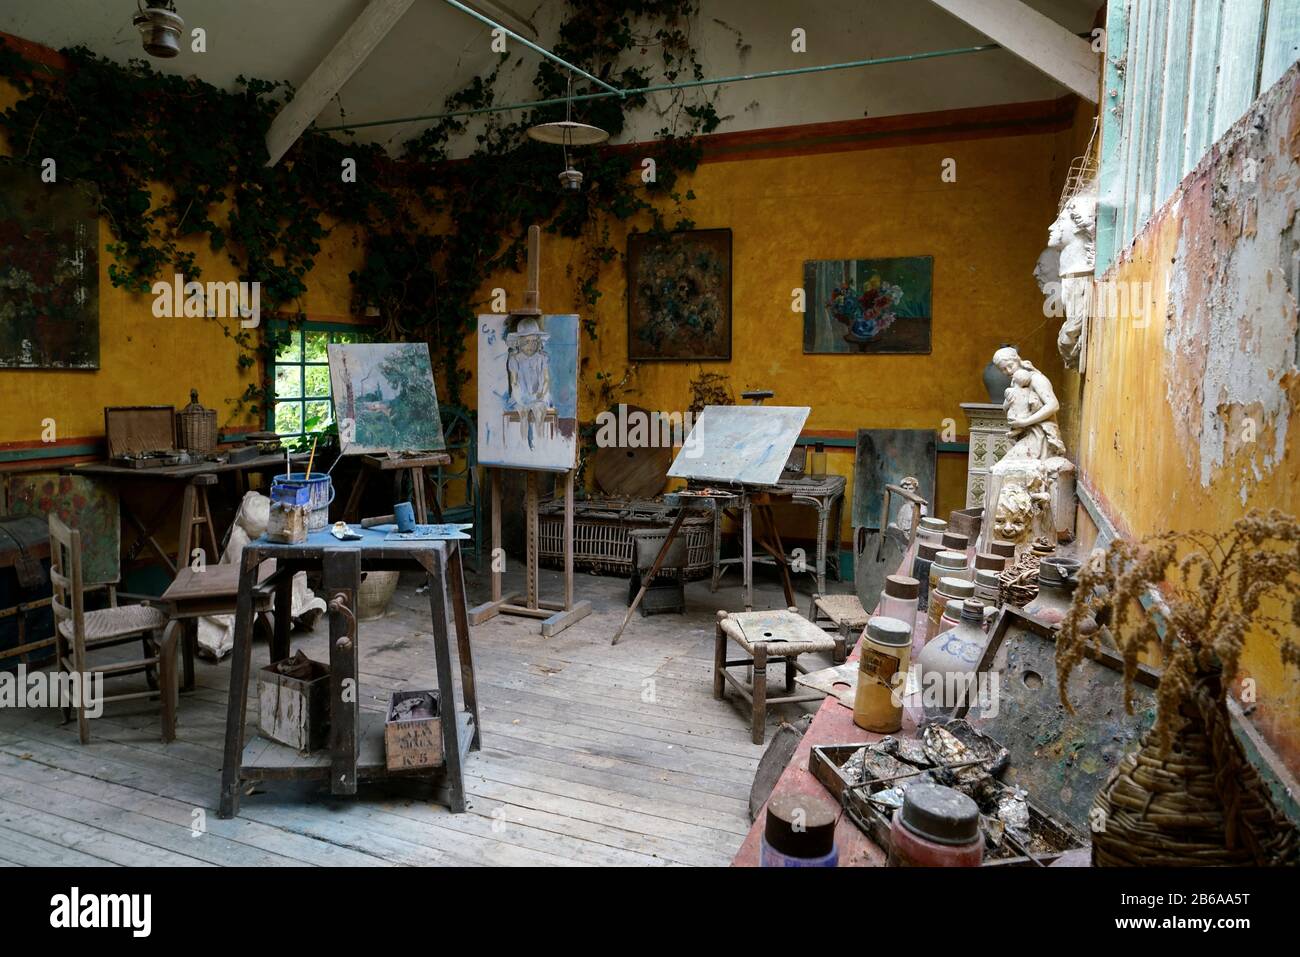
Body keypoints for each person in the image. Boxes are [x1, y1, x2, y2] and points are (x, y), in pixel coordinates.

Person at [991, 346, 1065, 461]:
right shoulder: (1016, 382)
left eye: (1010, 366)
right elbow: (1009, 407)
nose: (1008, 371)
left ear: (1018, 360)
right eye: (1003, 370)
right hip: (1026, 434)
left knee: (1007, 466)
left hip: (1041, 436)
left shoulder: (1036, 379)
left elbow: (1053, 405)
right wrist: (1008, 403)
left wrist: (1024, 422)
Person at [506, 317, 551, 450]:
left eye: (533, 341)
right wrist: (521, 398)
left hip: (538, 395)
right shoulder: (515, 359)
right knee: (523, 414)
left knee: (539, 412)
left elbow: (546, 379)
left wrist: (541, 394)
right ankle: (523, 444)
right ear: (518, 343)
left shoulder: (542, 358)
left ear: (538, 342)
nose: (530, 345)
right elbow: (514, 382)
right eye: (526, 342)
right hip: (520, 396)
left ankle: (541, 444)